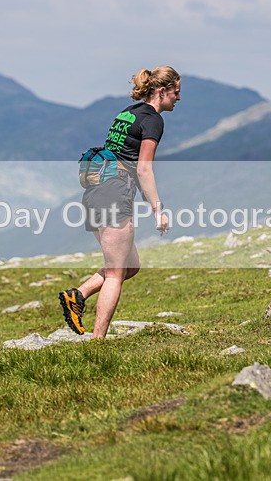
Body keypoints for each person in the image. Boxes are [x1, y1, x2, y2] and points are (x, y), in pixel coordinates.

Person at [59, 67, 180, 338]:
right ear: (162, 91)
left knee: (130, 266)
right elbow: (143, 169)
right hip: (115, 192)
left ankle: (77, 295)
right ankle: (98, 343)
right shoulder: (152, 120)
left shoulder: (128, 112)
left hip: (95, 192)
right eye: (176, 91)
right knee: (115, 273)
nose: (179, 98)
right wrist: (158, 209)